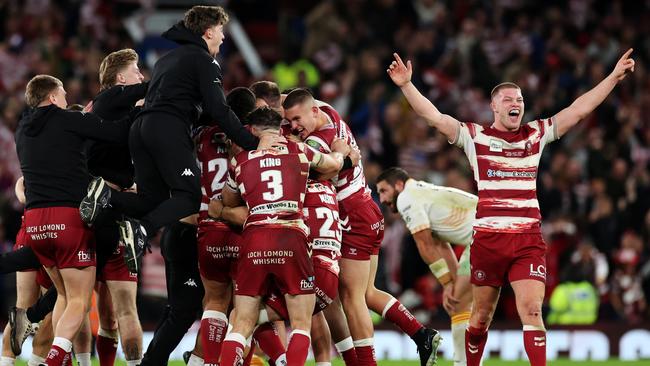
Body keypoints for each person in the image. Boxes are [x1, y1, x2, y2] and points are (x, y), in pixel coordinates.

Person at [387, 49, 635, 366]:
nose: (515, 103)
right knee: (479, 321)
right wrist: (407, 85)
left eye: (518, 99)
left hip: (527, 240)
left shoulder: (536, 134)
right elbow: (435, 118)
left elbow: (578, 110)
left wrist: (613, 77)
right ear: (493, 107)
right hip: (488, 242)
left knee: (532, 311)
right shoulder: (474, 137)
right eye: (507, 99)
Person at [78, 6, 277, 270]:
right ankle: (140, 230)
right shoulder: (205, 61)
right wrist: (253, 143)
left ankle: (106, 195)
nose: (223, 37)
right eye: (220, 31)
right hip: (167, 128)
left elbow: (200, 109)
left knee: (153, 200)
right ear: (208, 32)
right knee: (190, 196)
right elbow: (218, 109)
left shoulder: (165, 60)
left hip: (141, 129)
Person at [283, 88, 440, 366]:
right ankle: (421, 334)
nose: (294, 126)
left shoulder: (320, 139)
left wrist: (284, 137)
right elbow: (307, 110)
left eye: (296, 119)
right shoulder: (328, 112)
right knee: (366, 293)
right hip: (367, 209)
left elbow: (315, 166)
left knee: (351, 297)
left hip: (353, 216)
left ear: (313, 111)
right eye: (289, 120)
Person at [16, 74, 133, 366]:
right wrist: (140, 108)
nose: (67, 96)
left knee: (63, 297)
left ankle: (40, 360)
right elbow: (117, 133)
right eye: (63, 93)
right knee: (79, 300)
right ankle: (53, 361)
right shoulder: (66, 119)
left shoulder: (23, 130)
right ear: (53, 98)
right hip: (66, 219)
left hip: (34, 221)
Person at [219, 107, 347, 366]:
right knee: (301, 324)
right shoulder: (298, 150)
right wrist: (342, 153)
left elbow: (228, 199)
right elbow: (333, 165)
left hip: (254, 237)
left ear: (252, 131)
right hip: (291, 236)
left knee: (241, 322)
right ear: (279, 128)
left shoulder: (240, 160)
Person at [376, 167, 477, 366]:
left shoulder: (406, 198)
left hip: (484, 235)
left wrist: (447, 284)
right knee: (466, 305)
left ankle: (462, 363)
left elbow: (425, 244)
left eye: (383, 191)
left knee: (459, 304)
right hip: (491, 231)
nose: (381, 199)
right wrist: (453, 281)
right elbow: (442, 244)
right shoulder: (422, 193)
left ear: (398, 185)